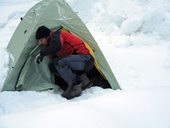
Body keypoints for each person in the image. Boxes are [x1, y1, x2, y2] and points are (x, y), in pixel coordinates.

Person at [35, 26, 94, 99]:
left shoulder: (56, 35)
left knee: (59, 62)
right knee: (53, 66)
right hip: (78, 62)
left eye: (41, 40)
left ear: (46, 36)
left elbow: (57, 46)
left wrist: (42, 53)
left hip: (85, 59)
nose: (39, 43)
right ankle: (84, 81)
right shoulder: (51, 42)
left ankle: (75, 86)